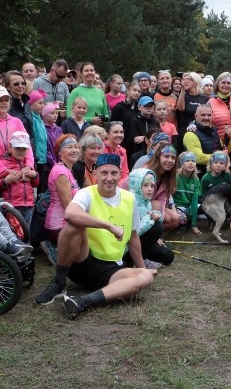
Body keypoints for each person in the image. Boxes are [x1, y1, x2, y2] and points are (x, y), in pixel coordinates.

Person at [33, 154, 156, 319]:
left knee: (145, 276)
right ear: (95, 173)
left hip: (112, 269)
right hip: (83, 261)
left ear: (120, 174)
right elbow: (69, 213)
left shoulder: (129, 198)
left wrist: (141, 267)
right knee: (73, 226)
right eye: (104, 173)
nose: (109, 178)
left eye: (114, 173)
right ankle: (59, 282)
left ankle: (83, 301)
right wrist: (109, 226)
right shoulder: (86, 193)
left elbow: (133, 237)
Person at [43, 135, 82, 264]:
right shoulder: (60, 172)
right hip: (58, 225)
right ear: (60, 153)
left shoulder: (67, 170)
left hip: (64, 222)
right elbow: (68, 205)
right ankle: (54, 246)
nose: (75, 150)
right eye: (69, 147)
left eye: (76, 147)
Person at [126, 169, 174, 268]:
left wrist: (156, 218)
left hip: (143, 242)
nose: (150, 189)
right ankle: (137, 261)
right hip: (128, 247)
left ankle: (145, 257)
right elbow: (134, 232)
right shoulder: (130, 203)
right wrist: (151, 220)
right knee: (156, 227)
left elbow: (147, 224)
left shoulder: (146, 202)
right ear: (137, 185)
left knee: (168, 255)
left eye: (152, 186)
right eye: (145, 185)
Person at [143, 144, 181, 232]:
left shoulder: (167, 176)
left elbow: (162, 201)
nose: (170, 160)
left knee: (175, 218)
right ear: (158, 157)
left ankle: (154, 233)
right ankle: (146, 235)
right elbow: (140, 201)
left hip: (154, 207)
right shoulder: (146, 172)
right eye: (166, 156)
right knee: (156, 204)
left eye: (173, 157)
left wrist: (158, 221)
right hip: (138, 208)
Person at [183, 104, 222, 175]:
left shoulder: (214, 130)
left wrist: (230, 138)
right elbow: (198, 158)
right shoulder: (190, 134)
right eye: (203, 115)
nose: (206, 118)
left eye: (209, 115)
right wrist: (220, 156)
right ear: (196, 116)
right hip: (199, 177)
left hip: (216, 175)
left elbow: (222, 148)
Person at [174, 152, 203, 235]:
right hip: (177, 207)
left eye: (193, 161)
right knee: (181, 219)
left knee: (207, 207)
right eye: (187, 161)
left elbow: (194, 202)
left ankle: (190, 221)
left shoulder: (196, 180)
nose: (191, 163)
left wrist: (194, 225)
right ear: (182, 163)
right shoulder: (176, 177)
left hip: (189, 207)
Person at [175, 72, 209, 136]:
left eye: (187, 79)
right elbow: (180, 108)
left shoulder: (205, 98)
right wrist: (182, 89)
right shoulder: (183, 96)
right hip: (185, 132)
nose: (185, 81)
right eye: (183, 79)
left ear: (195, 82)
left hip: (201, 132)